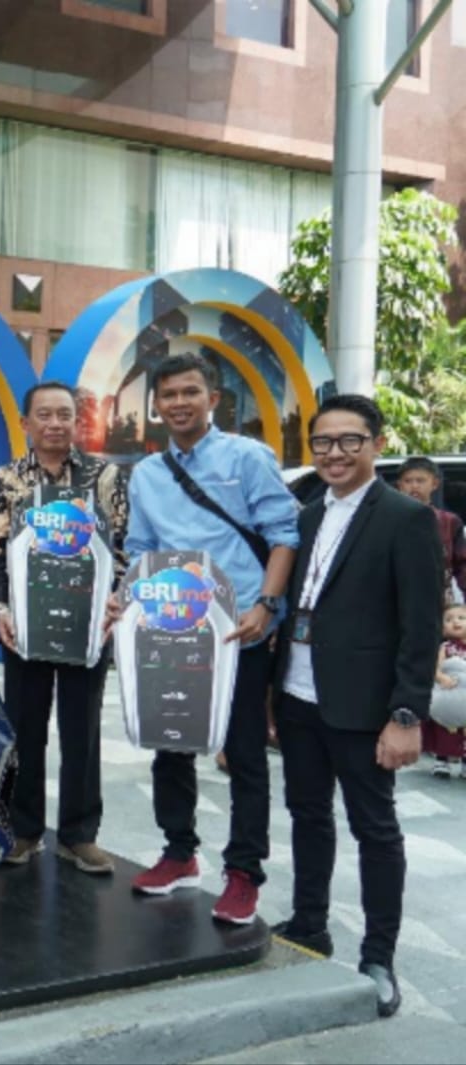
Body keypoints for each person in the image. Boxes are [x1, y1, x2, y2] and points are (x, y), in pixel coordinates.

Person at [272, 393, 441, 1018]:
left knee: (375, 828)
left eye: (350, 440)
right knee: (307, 815)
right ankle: (309, 924)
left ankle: (378, 956)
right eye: (323, 442)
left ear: (377, 445)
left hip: (364, 705)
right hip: (298, 695)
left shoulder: (405, 518)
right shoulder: (306, 514)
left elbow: (420, 627)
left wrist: (406, 715)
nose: (334, 453)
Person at [116, 353, 299, 925]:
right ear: (156, 405)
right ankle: (179, 853)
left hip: (237, 631)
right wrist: (126, 602)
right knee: (169, 745)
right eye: (168, 395)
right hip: (171, 627)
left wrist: (266, 605)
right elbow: (141, 548)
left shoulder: (247, 457)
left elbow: (283, 535)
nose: (179, 403)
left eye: (190, 392)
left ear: (213, 399)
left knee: (244, 754)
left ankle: (243, 872)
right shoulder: (147, 474)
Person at [0, 381, 128, 875]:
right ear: (26, 423)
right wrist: (0, 609)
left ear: (77, 422)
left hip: (89, 625)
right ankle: (23, 830)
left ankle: (79, 836)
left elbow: (122, 545)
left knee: (83, 730)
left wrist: (113, 601)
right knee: (24, 729)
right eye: (45, 415)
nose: (56, 424)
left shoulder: (104, 476)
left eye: (65, 414)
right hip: (25, 626)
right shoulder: (6, 480)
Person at [394, 456, 466, 603]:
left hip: (440, 601)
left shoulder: (449, 521)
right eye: (408, 481)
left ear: (434, 484)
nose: (414, 486)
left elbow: (462, 566)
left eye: (420, 481)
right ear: (399, 485)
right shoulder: (387, 520)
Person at [426, 603, 466, 777]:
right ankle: (442, 760)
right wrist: (441, 677)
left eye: (461, 618)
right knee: (444, 728)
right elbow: (435, 669)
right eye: (449, 619)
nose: (455, 622)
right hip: (448, 695)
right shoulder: (445, 647)